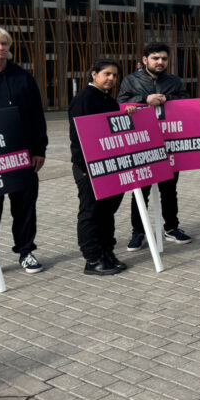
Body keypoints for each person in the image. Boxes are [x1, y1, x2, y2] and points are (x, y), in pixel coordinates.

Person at [0, 26, 48, 279]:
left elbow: (37, 115)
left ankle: (26, 251)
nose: (1, 48)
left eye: (5, 44)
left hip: (21, 155)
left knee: (25, 207)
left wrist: (39, 149)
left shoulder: (22, 77)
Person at [118, 42, 192, 248]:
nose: (160, 62)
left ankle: (171, 228)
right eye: (155, 58)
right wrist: (144, 99)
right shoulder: (130, 80)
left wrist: (166, 98)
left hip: (168, 143)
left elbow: (185, 100)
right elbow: (120, 103)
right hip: (141, 144)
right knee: (140, 191)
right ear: (145, 60)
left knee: (170, 189)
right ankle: (138, 232)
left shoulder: (174, 81)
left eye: (164, 59)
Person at [69, 59, 127, 276]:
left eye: (115, 75)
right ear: (93, 74)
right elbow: (77, 135)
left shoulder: (108, 100)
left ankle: (106, 251)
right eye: (107, 74)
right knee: (90, 212)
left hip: (108, 165)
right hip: (88, 167)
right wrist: (84, 165)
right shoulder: (84, 99)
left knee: (106, 211)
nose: (111, 79)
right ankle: (92, 258)